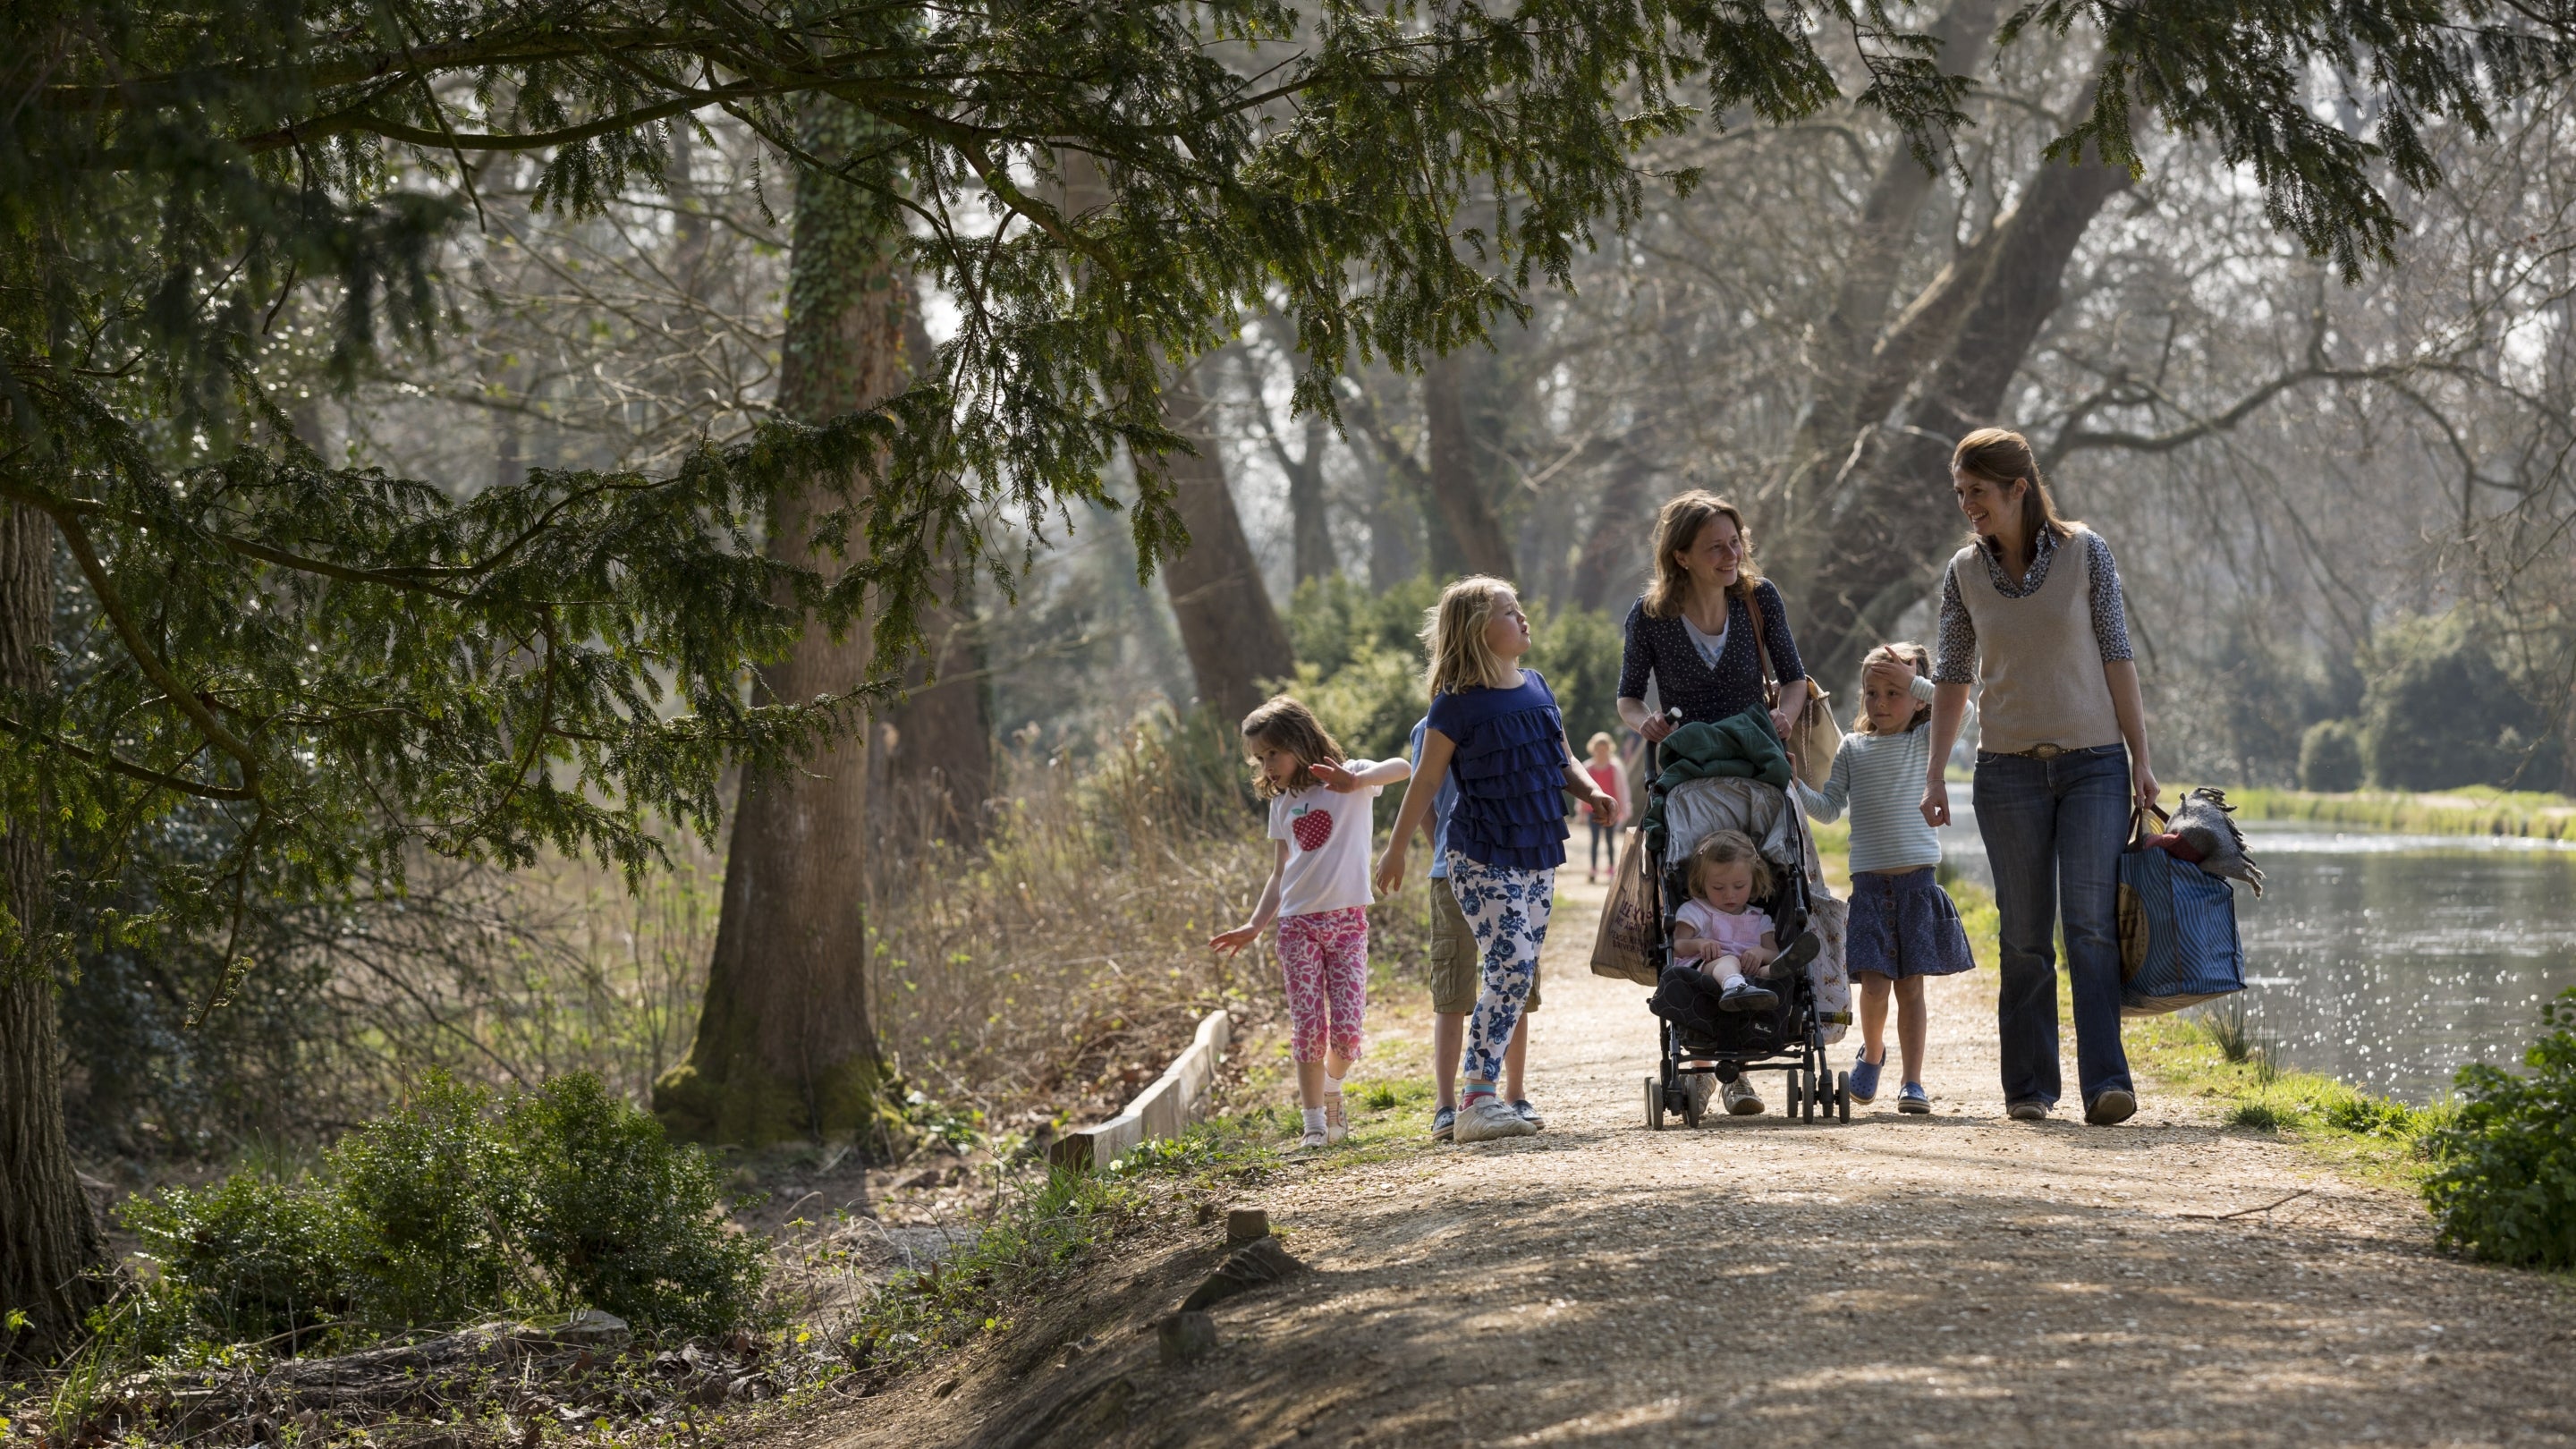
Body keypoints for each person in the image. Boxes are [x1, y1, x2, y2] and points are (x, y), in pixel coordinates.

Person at [1920, 428, 2159, 1127]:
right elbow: (1952, 678)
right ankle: (2029, 1088)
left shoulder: (2087, 553)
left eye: (1979, 493)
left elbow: (2118, 655)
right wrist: (1935, 774)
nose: (1969, 506)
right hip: (2006, 774)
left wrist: (2141, 759)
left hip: (2093, 767)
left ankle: (2106, 1085)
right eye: (1961, 494)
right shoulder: (1963, 572)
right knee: (2024, 935)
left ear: (2019, 488)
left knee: (2088, 928)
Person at [1374, 577, 1617, 1144]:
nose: (1523, 619)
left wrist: (1590, 793)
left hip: (1536, 850)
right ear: (1478, 631)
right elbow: (1426, 779)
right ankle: (1477, 1098)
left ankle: (1484, 1095)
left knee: (1518, 970)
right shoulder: (1454, 707)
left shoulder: (1537, 687)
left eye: (1519, 609)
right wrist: (1395, 848)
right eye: (1510, 612)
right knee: (1508, 964)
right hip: (1479, 853)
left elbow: (1562, 758)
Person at [1212, 696, 1412, 1149]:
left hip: (1347, 922)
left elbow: (1402, 765)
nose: (1266, 765)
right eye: (1259, 758)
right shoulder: (1282, 804)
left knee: (1346, 1032)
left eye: (1272, 754)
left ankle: (1332, 1086)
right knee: (1308, 1027)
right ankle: (1314, 1125)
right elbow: (1281, 872)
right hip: (1296, 925)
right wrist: (1255, 924)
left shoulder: (1353, 779)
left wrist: (1355, 779)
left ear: (1300, 742)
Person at [1794, 641, 1974, 1115]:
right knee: (1873, 987)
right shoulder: (1854, 748)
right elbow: (1830, 809)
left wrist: (1911, 678)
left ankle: (1913, 1082)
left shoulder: (1927, 741)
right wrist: (1794, 785)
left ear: (1918, 697)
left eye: (1894, 692)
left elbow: (1966, 707)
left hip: (1917, 884)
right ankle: (1872, 1054)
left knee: (1910, 987)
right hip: (1870, 888)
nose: (1880, 703)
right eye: (1872, 692)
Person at [1408, 714, 1541, 1142]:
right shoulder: (1428, 727)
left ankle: (1516, 1093)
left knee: (1517, 985)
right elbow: (1423, 798)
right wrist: (1442, 855)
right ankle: (1445, 1105)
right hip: (1452, 873)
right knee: (1452, 989)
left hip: (1515, 865)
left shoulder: (1514, 711)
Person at [1617, 492, 1806, 744]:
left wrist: (1783, 717)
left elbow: (1794, 679)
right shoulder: (1649, 616)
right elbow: (1628, 698)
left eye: (1734, 541)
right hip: (1688, 762)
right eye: (1716, 547)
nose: (1732, 555)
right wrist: (1646, 722)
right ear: (1681, 557)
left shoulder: (1760, 597)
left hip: (1758, 756)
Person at [1580, 731, 1631, 883]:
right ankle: (1593, 869)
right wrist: (1581, 811)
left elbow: (1622, 790)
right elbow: (1582, 791)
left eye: (1604, 749)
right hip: (1593, 810)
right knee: (1594, 840)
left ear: (1609, 749)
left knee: (1610, 840)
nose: (1601, 752)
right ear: (1593, 749)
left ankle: (1611, 869)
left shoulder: (1615, 767)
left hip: (1610, 810)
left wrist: (1624, 808)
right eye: (1599, 749)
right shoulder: (1588, 767)